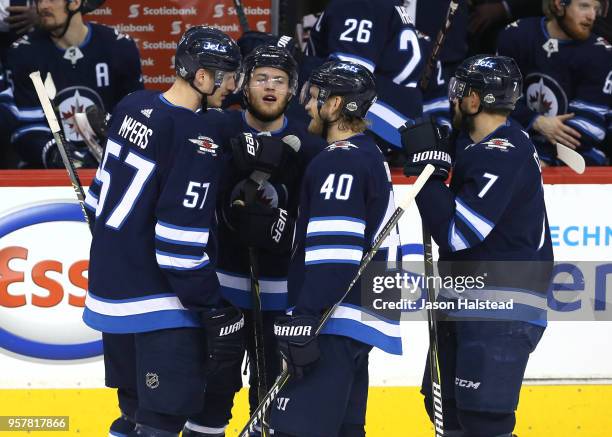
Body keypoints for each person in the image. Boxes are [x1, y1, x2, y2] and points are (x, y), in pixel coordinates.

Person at [82, 26, 245, 437]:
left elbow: (95, 204)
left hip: (111, 296)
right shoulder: (198, 140)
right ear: (202, 77)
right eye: (226, 76)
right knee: (161, 421)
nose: (232, 86)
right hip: (160, 304)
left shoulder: (131, 106)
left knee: (132, 416)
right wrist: (213, 306)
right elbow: (178, 246)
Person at [400, 55, 553, 436]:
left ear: (474, 100)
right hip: (468, 299)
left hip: (501, 304)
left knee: (485, 419)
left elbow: (457, 235)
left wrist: (426, 177)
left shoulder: (500, 154)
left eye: (459, 92)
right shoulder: (481, 142)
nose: (452, 99)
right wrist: (434, 153)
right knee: (446, 410)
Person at [250, 59, 403, 436]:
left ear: (335, 105)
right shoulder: (368, 154)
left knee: (296, 431)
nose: (307, 105)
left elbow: (335, 253)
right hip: (355, 319)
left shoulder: (339, 162)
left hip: (332, 320)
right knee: (346, 430)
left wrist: (305, 317)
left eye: (316, 96)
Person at [181, 44, 325, 437]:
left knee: (273, 407)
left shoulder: (310, 145)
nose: (270, 87)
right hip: (221, 294)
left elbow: (316, 218)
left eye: (279, 80)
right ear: (245, 84)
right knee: (209, 400)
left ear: (292, 90)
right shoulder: (219, 128)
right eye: (261, 77)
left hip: (281, 298)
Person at [5, 0, 142, 168]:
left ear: (75, 3)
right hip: (48, 176)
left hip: (112, 170)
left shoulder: (119, 47)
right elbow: (27, 128)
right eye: (39, 1)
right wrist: (60, 156)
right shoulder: (23, 54)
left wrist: (111, 151)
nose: (43, 7)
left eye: (51, 0)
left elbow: (136, 118)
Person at [303, 0, 449, 152]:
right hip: (408, 131)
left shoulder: (359, 5)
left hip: (372, 125)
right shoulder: (414, 31)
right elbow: (439, 106)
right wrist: (435, 143)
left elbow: (347, 83)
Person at [497, 0, 612, 165]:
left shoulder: (601, 53)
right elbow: (497, 101)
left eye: (596, 9)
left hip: (574, 157)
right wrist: (535, 121)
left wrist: (541, 161)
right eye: (584, 6)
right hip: (516, 147)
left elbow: (589, 128)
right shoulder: (516, 34)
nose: (592, 16)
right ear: (559, 4)